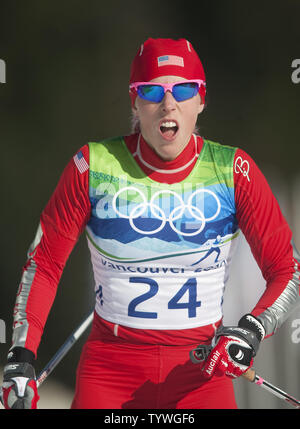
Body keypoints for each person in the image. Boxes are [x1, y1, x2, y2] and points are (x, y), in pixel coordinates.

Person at [1, 37, 300, 410]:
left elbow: (286, 269)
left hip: (201, 376)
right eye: (153, 90)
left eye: (184, 89)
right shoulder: (93, 166)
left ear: (202, 99)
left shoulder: (233, 171)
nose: (168, 103)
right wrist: (21, 356)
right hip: (110, 375)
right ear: (135, 101)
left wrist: (250, 331)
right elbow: (44, 264)